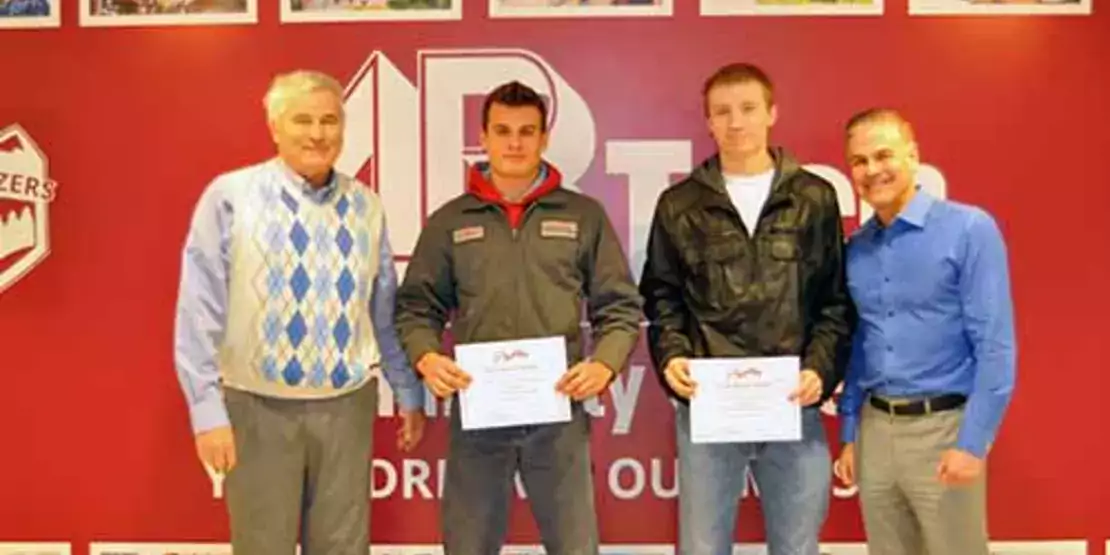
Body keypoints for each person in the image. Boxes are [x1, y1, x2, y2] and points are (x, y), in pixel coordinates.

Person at [173, 69, 426, 555]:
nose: (317, 133)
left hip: (346, 407)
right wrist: (206, 411)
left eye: (329, 120)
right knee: (262, 546)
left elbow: (382, 309)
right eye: (302, 120)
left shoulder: (366, 205)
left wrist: (406, 389)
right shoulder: (230, 197)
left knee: (343, 548)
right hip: (257, 408)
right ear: (274, 126)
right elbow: (197, 312)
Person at [395, 80, 643, 555]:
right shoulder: (450, 220)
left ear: (544, 138)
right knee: (468, 546)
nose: (514, 143)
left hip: (558, 412)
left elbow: (621, 306)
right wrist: (426, 356)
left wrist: (603, 364)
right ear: (483, 137)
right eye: (503, 131)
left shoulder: (583, 215)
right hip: (478, 409)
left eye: (527, 131)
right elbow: (415, 306)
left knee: (575, 546)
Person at [638, 62, 853, 555]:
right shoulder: (678, 204)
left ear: (772, 113)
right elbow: (662, 296)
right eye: (723, 112)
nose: (736, 122)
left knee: (797, 547)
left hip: (792, 403)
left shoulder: (814, 198)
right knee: (701, 546)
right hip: (709, 406)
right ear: (708, 122)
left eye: (748, 109)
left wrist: (820, 369)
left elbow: (835, 301)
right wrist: (671, 356)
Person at [834, 108, 1016, 555]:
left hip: (944, 431)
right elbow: (861, 344)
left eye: (884, 155)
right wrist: (849, 433)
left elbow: (995, 347)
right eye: (859, 161)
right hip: (876, 434)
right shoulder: (855, 249)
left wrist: (972, 443)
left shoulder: (969, 229)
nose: (872, 170)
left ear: (913, 156)